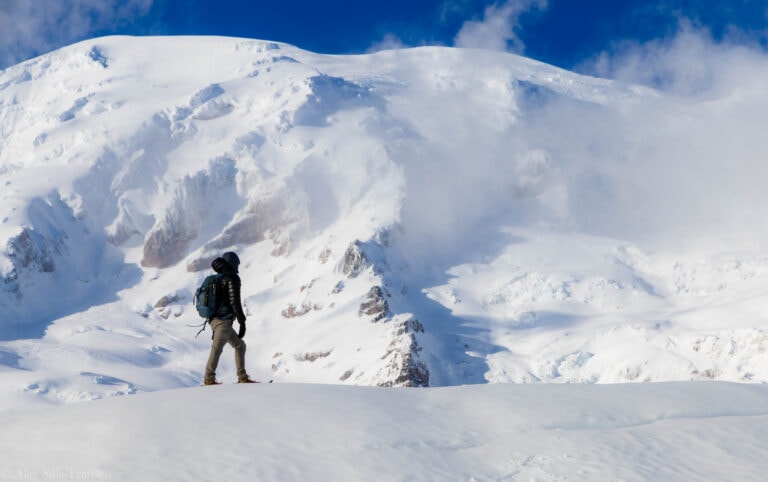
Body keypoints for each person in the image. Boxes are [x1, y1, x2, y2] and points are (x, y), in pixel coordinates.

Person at [203, 251, 256, 385]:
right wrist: (242, 321)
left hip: (214, 320)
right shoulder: (232, 278)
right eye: (237, 264)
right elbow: (235, 301)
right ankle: (209, 379)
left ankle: (242, 377)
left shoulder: (218, 277)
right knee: (217, 348)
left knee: (240, 345)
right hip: (224, 322)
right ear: (233, 263)